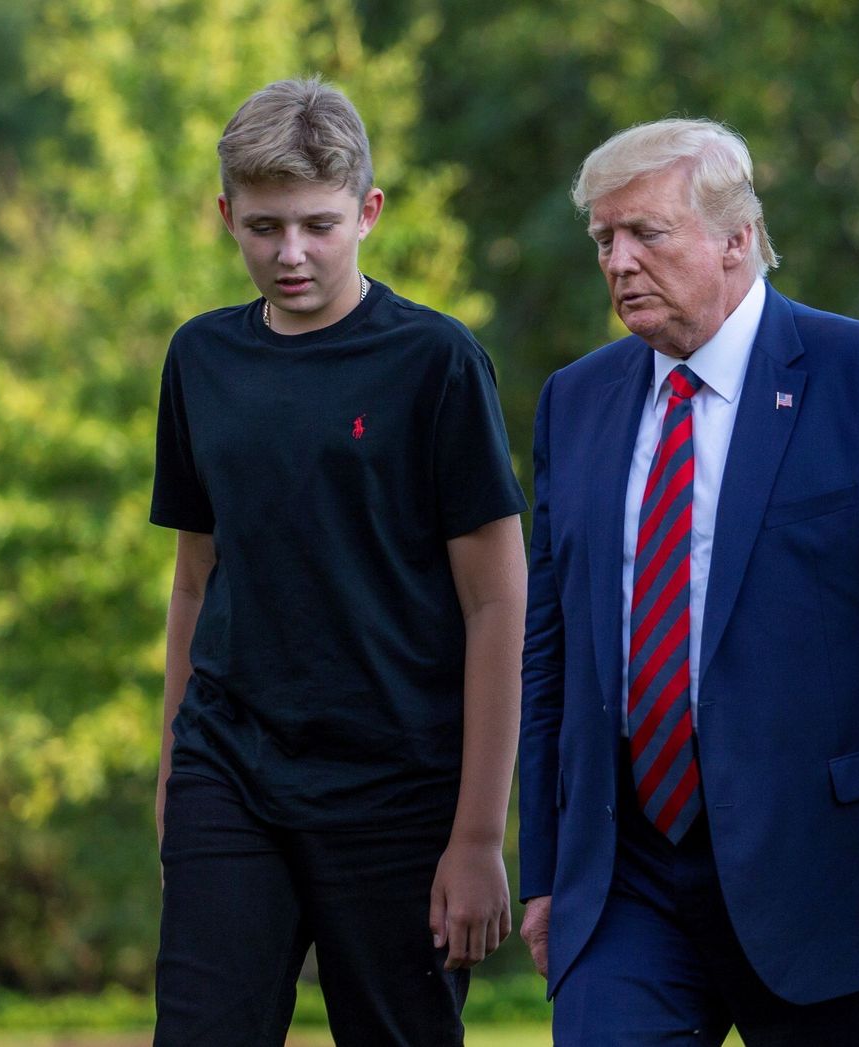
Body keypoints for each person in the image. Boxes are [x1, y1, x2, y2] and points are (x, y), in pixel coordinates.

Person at [517, 117, 859, 1045]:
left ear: (737, 239)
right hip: (627, 881)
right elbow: (551, 656)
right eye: (604, 238)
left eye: (646, 232)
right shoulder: (577, 401)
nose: (619, 261)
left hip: (830, 871)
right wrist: (543, 869)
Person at [149, 77, 527, 1046]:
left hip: (398, 784)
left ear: (368, 212)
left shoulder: (436, 362)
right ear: (226, 215)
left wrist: (479, 835)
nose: (290, 254)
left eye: (317, 225)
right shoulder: (201, 359)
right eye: (264, 226)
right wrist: (171, 778)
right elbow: (196, 580)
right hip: (230, 768)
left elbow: (496, 604)